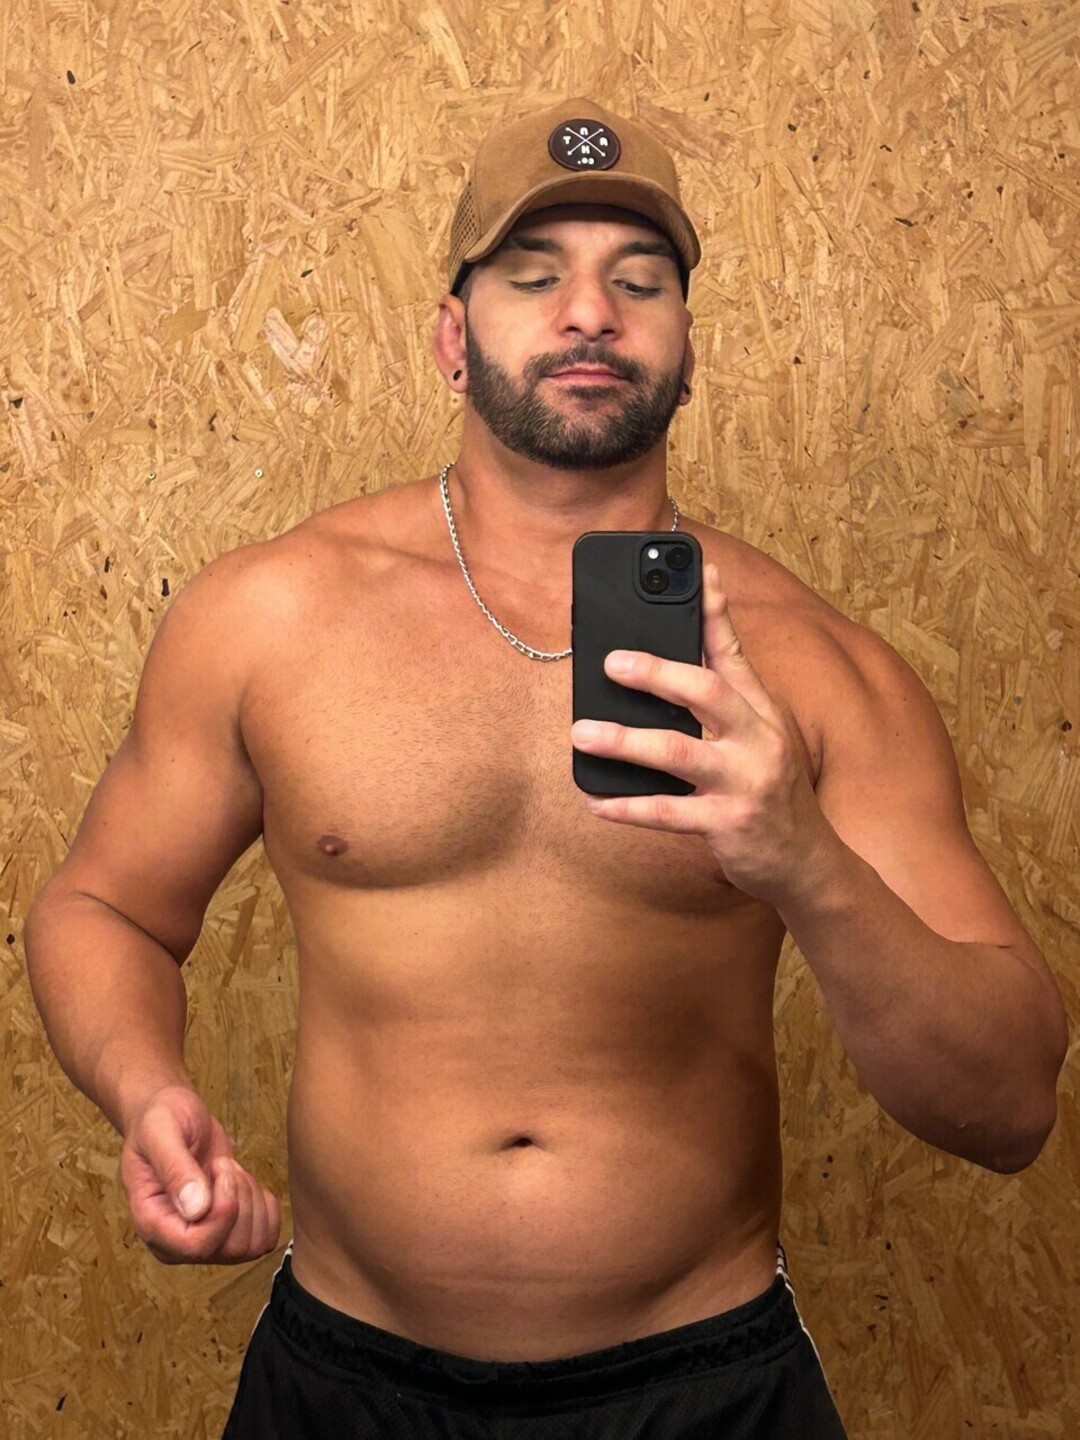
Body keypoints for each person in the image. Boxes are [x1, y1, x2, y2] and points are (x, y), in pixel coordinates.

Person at [25, 97, 1068, 1439]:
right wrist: (148, 1090)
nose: (590, 314)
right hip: (346, 1385)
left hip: (703, 1390)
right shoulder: (272, 616)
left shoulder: (813, 668)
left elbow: (1007, 1105)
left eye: (640, 283)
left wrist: (804, 863)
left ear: (689, 352)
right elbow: (102, 907)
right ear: (452, 341)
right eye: (533, 278)